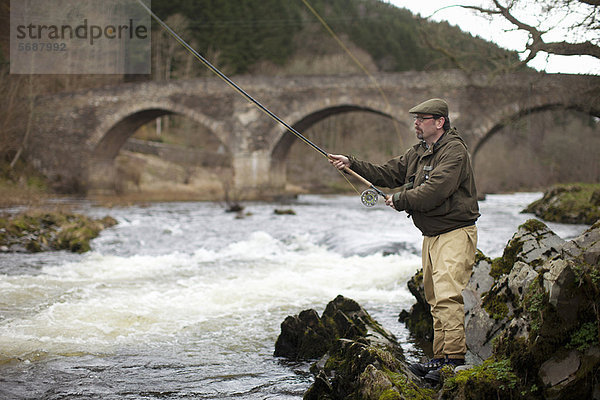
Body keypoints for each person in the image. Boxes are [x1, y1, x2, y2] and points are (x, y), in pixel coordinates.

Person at [328, 98, 479, 383]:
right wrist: (351, 163)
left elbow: (436, 190)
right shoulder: (419, 152)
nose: (416, 123)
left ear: (439, 122)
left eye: (422, 119)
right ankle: (439, 358)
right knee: (435, 299)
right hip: (432, 234)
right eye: (416, 119)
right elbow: (388, 173)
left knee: (448, 297)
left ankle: (453, 363)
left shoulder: (454, 152)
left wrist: (399, 199)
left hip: (455, 232)